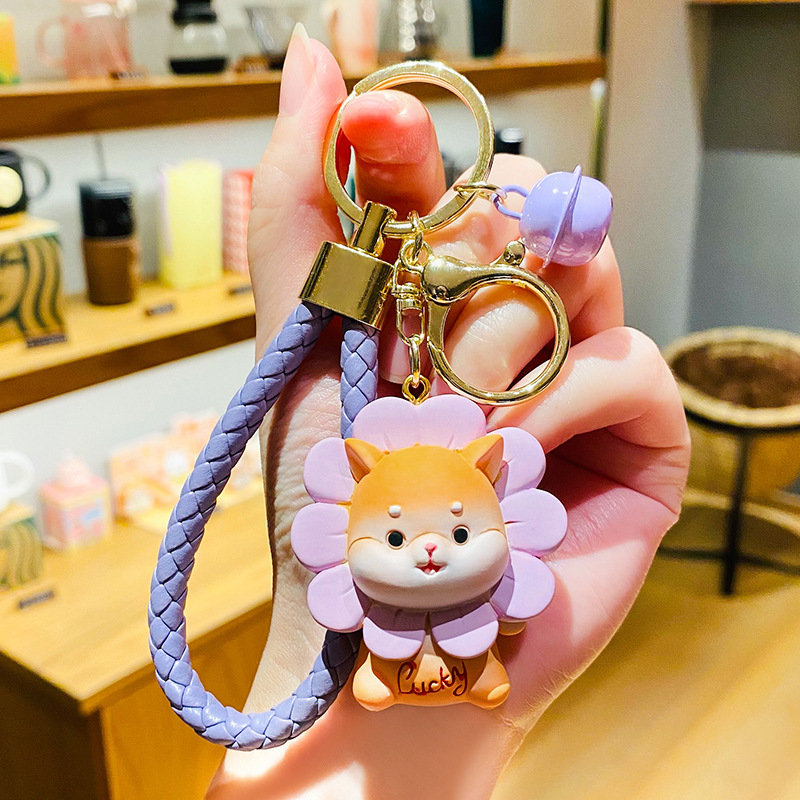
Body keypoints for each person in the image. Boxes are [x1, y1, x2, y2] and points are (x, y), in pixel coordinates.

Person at [207, 25, 691, 800]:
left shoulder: (493, 561)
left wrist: (419, 750)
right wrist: (331, 667)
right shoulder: (346, 533)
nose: (431, 553)